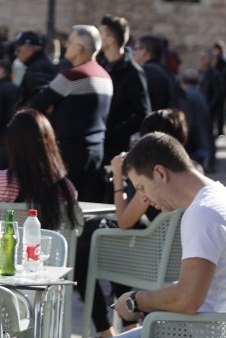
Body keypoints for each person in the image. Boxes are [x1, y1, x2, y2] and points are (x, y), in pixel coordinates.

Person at [112, 132, 226, 338]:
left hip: (205, 333)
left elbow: (188, 299)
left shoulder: (204, 212)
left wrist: (134, 300)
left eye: (142, 187)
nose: (143, 197)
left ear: (160, 173)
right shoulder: (225, 198)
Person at [75, 108, 189, 338]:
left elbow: (125, 220)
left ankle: (106, 330)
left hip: (152, 258)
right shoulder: (190, 170)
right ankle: (125, 327)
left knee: (86, 246)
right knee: (104, 235)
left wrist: (119, 176)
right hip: (176, 256)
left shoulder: (156, 175)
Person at [30, 25, 113, 203]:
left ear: (79, 49)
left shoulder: (73, 76)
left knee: (61, 207)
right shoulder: (105, 76)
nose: (66, 45)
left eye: (70, 42)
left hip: (69, 153)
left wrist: (54, 108)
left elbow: (35, 105)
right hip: (97, 152)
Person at [0, 109, 77, 229]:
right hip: (53, 247)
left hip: (6, 247)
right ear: (51, 143)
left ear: (11, 144)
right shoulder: (66, 189)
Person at [98, 15, 151, 166]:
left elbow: (143, 114)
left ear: (111, 39)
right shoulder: (99, 63)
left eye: (101, 33)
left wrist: (113, 133)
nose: (97, 37)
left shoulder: (133, 72)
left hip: (114, 148)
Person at [12, 30, 57, 108]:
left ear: (30, 48)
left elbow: (40, 101)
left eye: (18, 49)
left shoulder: (38, 68)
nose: (15, 53)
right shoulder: (38, 64)